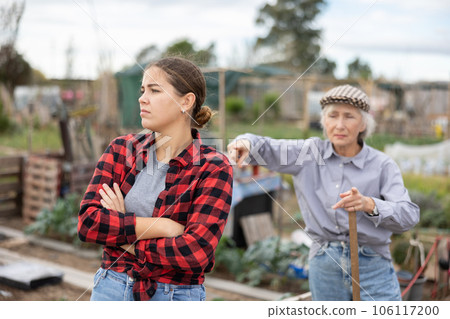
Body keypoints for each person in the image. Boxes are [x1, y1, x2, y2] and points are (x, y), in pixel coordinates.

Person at [227, 84, 419, 301]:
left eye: (349, 116)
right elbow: (268, 148)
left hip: (372, 262)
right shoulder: (308, 154)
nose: (339, 124)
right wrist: (245, 142)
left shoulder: (383, 165)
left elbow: (408, 216)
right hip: (325, 263)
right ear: (323, 121)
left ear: (364, 123)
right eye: (333, 116)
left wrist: (370, 205)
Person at [78, 57, 233, 301]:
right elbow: (89, 223)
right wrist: (162, 227)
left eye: (154, 90)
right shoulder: (121, 150)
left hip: (175, 296)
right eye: (142, 90)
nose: (142, 98)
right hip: (111, 288)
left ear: (186, 101)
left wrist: (123, 235)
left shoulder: (213, 168)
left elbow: (195, 252)